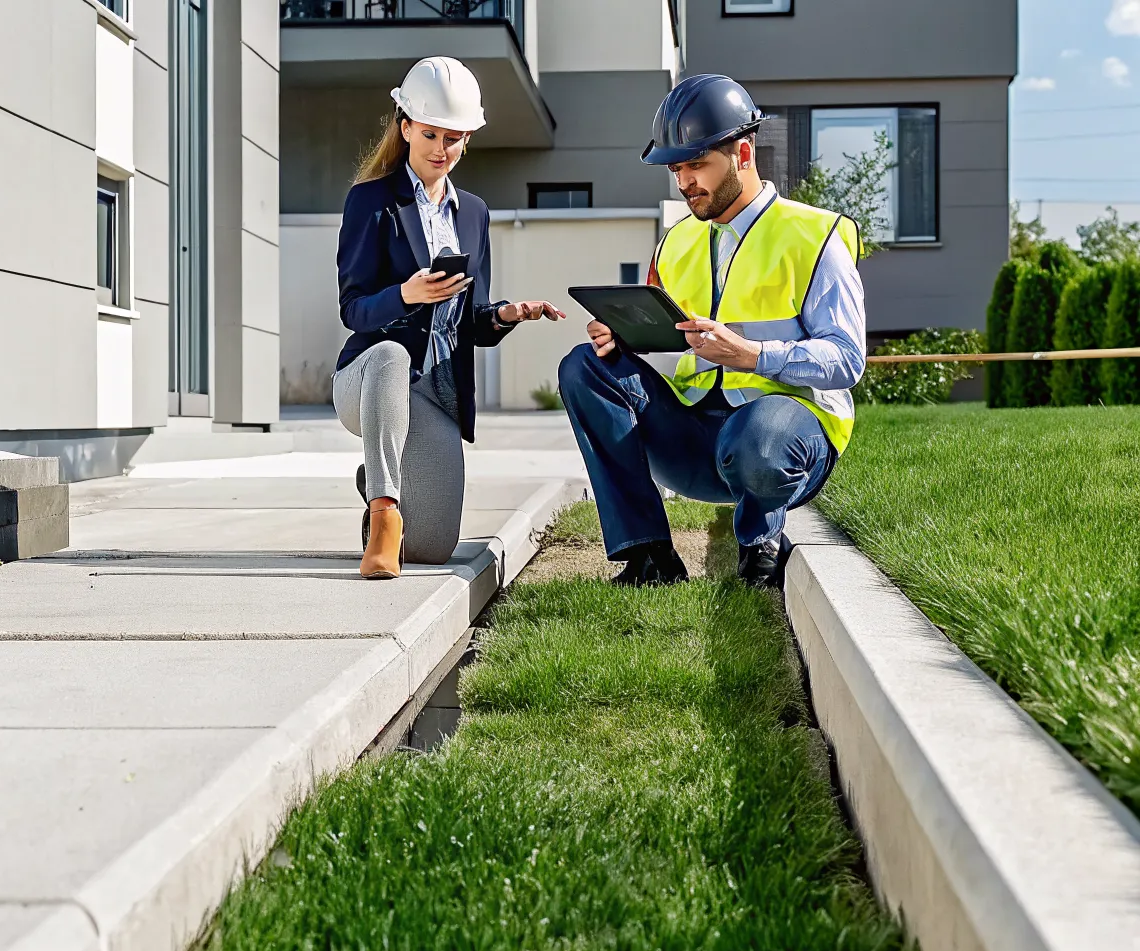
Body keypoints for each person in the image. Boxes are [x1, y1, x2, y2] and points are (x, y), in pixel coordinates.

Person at [558, 74, 865, 588]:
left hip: (783, 442)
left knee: (761, 435)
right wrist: (623, 336)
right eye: (676, 169)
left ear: (743, 153)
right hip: (696, 442)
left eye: (696, 165)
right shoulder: (676, 241)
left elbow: (847, 359)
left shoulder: (815, 236)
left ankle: (760, 542)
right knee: (584, 366)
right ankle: (648, 555)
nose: (685, 182)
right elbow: (665, 341)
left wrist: (753, 355)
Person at [334, 56, 564, 580]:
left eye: (453, 138)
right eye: (431, 134)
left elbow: (473, 323)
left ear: (467, 139)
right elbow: (353, 311)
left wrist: (506, 314)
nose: (441, 148)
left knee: (433, 549)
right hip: (368, 379)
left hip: (436, 389)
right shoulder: (370, 202)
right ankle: (384, 512)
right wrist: (406, 294)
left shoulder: (475, 213)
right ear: (406, 127)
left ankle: (376, 478)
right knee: (390, 354)